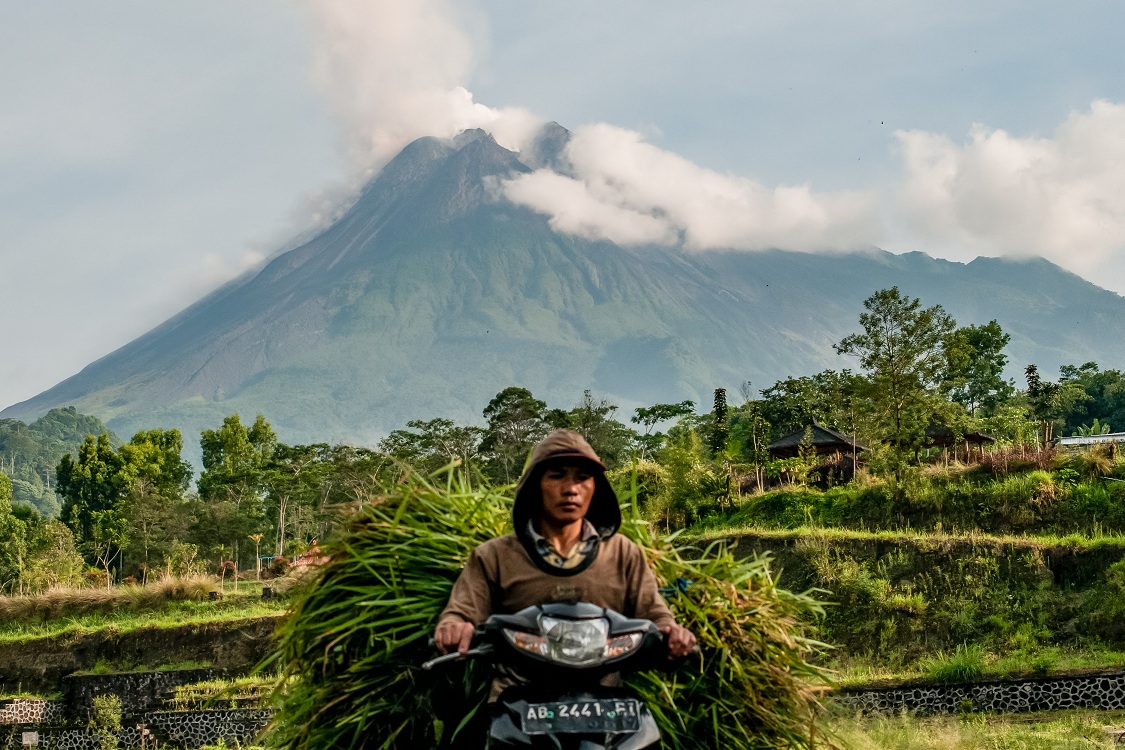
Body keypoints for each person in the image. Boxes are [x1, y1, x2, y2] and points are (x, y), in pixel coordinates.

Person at [434, 428, 697, 660]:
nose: (571, 488)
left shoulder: (622, 553)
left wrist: (672, 633)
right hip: (518, 699)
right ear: (535, 486)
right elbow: (461, 612)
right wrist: (455, 626)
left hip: (606, 697)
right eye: (557, 476)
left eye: (582, 477)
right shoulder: (493, 556)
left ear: (596, 488)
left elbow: (655, 615)